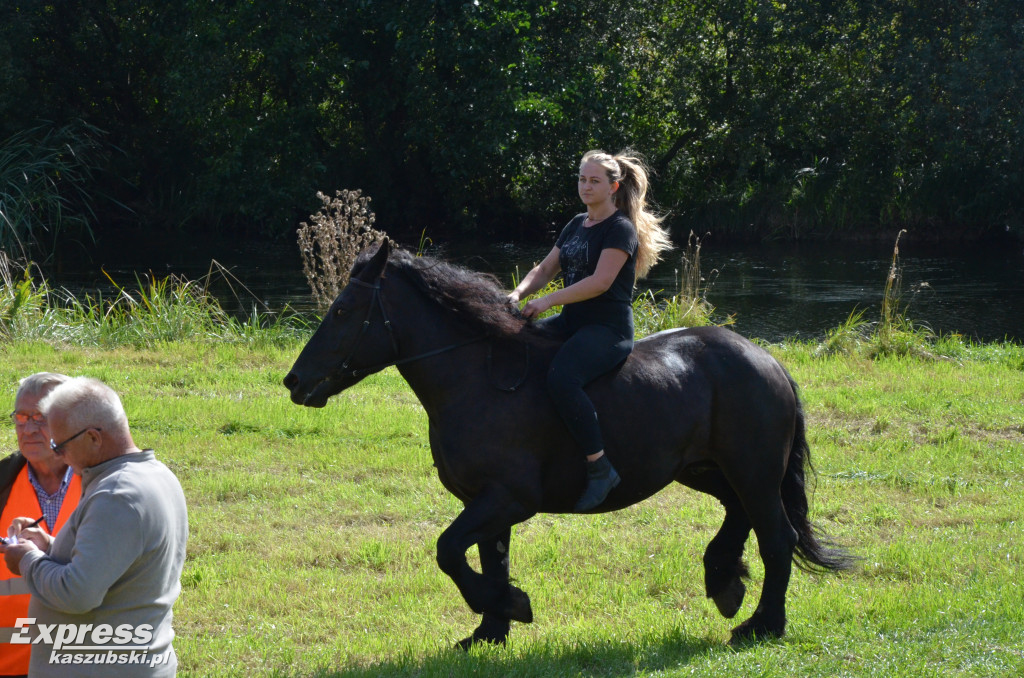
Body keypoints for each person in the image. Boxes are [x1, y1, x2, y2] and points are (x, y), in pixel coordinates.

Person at [508, 150, 672, 511]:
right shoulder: (576, 223)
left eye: (594, 181)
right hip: (572, 322)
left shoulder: (620, 229)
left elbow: (600, 282)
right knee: (517, 346)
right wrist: (518, 293)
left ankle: (599, 467)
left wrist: (548, 302)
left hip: (607, 329)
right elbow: (545, 269)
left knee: (562, 378)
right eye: (582, 179)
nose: (586, 186)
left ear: (613, 187)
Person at [0, 377, 188, 677]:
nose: (58, 454)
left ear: (93, 438)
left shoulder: (116, 495)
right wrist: (51, 547)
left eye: (60, 445)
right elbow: (114, 561)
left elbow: (77, 594)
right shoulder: (156, 474)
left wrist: (27, 559)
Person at [0, 372, 81, 678]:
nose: (29, 428)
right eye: (21, 417)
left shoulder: (105, 486)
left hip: (86, 663)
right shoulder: (3, 483)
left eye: (40, 418)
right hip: (11, 666)